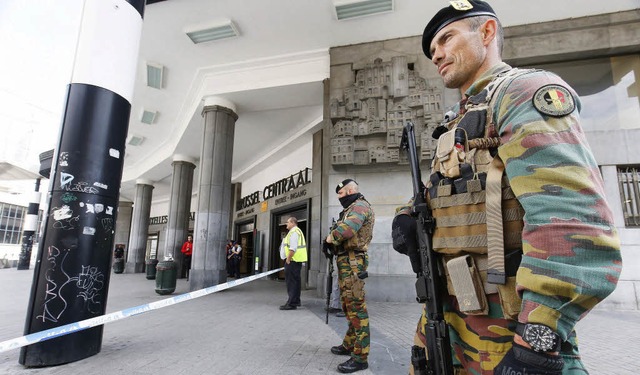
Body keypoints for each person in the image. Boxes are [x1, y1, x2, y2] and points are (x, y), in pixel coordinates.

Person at [393, 1, 622, 374]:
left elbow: (570, 218)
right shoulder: (459, 120)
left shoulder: (522, 92)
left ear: (486, 33)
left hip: (509, 324)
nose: (437, 54)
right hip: (450, 314)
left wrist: (536, 342)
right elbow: (456, 190)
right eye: (432, 50)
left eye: (447, 38)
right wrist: (407, 214)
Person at [325, 179, 375, 373]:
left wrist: (329, 238)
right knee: (348, 306)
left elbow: (347, 229)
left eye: (341, 193)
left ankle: (361, 357)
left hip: (353, 263)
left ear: (351, 190)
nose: (339, 197)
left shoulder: (360, 206)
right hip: (346, 261)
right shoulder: (351, 208)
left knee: (357, 308)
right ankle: (350, 344)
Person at [279, 217, 308, 310]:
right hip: (295, 261)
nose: (286, 224)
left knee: (291, 283)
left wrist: (288, 259)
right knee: (295, 282)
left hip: (293, 261)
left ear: (292, 222)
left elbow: (293, 248)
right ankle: (294, 301)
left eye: (287, 222)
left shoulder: (294, 232)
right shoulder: (296, 231)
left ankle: (291, 303)